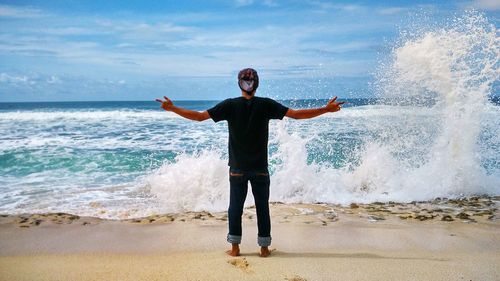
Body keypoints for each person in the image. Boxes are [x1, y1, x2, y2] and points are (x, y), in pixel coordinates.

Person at [156, 68, 344, 257]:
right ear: (257, 84)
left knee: (235, 208)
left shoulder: (230, 105)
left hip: (237, 169)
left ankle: (235, 248)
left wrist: (173, 108)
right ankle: (264, 249)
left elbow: (199, 117)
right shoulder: (266, 104)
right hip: (260, 169)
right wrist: (325, 109)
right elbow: (296, 114)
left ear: (240, 83)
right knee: (262, 208)